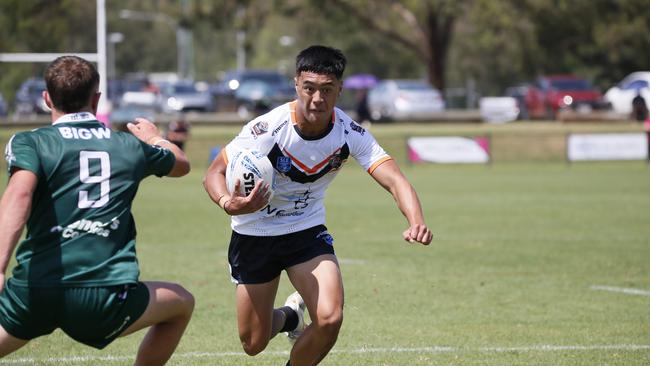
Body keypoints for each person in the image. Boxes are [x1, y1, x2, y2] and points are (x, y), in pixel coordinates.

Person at [203, 45, 432, 366]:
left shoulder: (349, 132)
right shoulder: (267, 129)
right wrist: (230, 203)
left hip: (305, 232)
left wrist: (415, 218)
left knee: (329, 318)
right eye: (309, 88)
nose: (317, 99)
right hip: (254, 233)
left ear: (339, 89)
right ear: (297, 84)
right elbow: (214, 173)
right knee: (253, 342)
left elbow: (395, 179)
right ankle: (290, 318)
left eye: (327, 90)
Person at [0, 56, 194, 365]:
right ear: (97, 98)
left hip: (36, 291)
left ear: (46, 98)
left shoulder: (30, 142)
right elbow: (181, 164)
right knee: (182, 302)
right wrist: (155, 138)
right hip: (103, 296)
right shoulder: (128, 146)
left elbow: (19, 193)